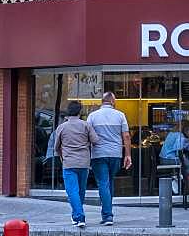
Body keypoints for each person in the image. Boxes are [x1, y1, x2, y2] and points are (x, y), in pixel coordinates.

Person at [86, 92, 132, 226]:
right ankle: (108, 211)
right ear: (112, 101)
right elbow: (127, 136)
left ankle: (107, 215)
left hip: (98, 154)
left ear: (102, 101)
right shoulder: (120, 115)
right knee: (109, 182)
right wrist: (127, 155)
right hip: (115, 154)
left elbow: (87, 136)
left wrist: (87, 155)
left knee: (103, 183)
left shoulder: (92, 116)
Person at [54, 100, 100, 228]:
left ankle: (79, 217)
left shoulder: (62, 127)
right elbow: (96, 141)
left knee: (72, 191)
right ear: (80, 112)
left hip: (69, 163)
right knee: (80, 191)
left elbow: (56, 146)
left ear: (69, 112)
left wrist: (62, 157)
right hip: (84, 163)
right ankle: (76, 216)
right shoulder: (86, 126)